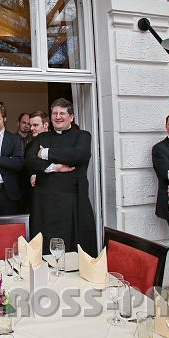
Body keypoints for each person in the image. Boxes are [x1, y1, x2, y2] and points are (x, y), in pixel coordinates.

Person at [25, 98, 97, 256]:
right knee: (45, 252)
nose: (57, 116)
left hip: (74, 202)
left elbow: (79, 155)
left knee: (75, 251)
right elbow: (29, 160)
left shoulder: (83, 136)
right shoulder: (42, 138)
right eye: (54, 113)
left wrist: (45, 153)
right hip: (45, 205)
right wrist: (53, 167)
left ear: (71, 117)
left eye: (62, 113)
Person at [27, 110, 50, 188]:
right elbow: (27, 164)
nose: (31, 128)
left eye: (35, 125)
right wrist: (32, 174)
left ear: (45, 125)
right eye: (31, 125)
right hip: (35, 190)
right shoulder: (29, 145)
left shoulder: (56, 141)